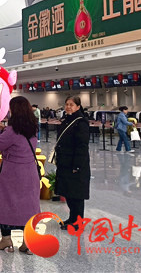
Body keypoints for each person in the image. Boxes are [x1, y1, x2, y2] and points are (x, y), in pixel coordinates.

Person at [0, 96, 41, 254]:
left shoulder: (12, 131)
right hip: (29, 172)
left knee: (7, 204)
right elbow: (18, 140)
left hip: (12, 173)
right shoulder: (33, 128)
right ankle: (27, 242)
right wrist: (4, 129)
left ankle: (6, 240)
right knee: (28, 206)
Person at [54, 96, 90, 229]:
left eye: (71, 105)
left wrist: (77, 165)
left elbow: (82, 146)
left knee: (77, 195)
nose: (68, 107)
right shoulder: (67, 120)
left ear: (78, 107)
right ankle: (72, 218)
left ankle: (78, 223)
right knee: (68, 192)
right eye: (67, 104)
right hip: (65, 163)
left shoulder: (81, 123)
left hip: (75, 164)